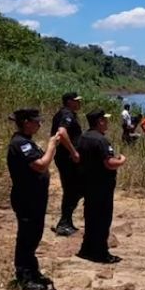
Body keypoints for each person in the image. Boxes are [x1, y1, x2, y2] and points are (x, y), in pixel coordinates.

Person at [6, 108, 61, 290]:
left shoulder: (27, 142)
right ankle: (24, 276)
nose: (39, 124)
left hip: (35, 197)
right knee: (27, 236)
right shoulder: (21, 143)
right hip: (26, 197)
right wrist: (52, 146)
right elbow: (40, 165)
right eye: (37, 121)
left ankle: (32, 270)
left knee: (34, 234)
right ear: (27, 122)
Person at [77, 109, 127, 264]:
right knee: (102, 219)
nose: (107, 123)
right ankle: (100, 253)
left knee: (91, 217)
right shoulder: (101, 140)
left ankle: (86, 249)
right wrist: (121, 160)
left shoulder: (83, 137)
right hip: (102, 185)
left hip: (87, 183)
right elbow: (109, 163)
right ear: (99, 121)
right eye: (105, 120)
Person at [50, 92, 83, 236]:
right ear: (69, 101)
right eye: (76, 101)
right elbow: (62, 132)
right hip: (67, 158)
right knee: (72, 189)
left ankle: (66, 221)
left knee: (75, 189)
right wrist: (73, 151)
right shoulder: (66, 114)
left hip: (67, 157)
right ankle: (64, 224)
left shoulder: (67, 113)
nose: (79, 103)